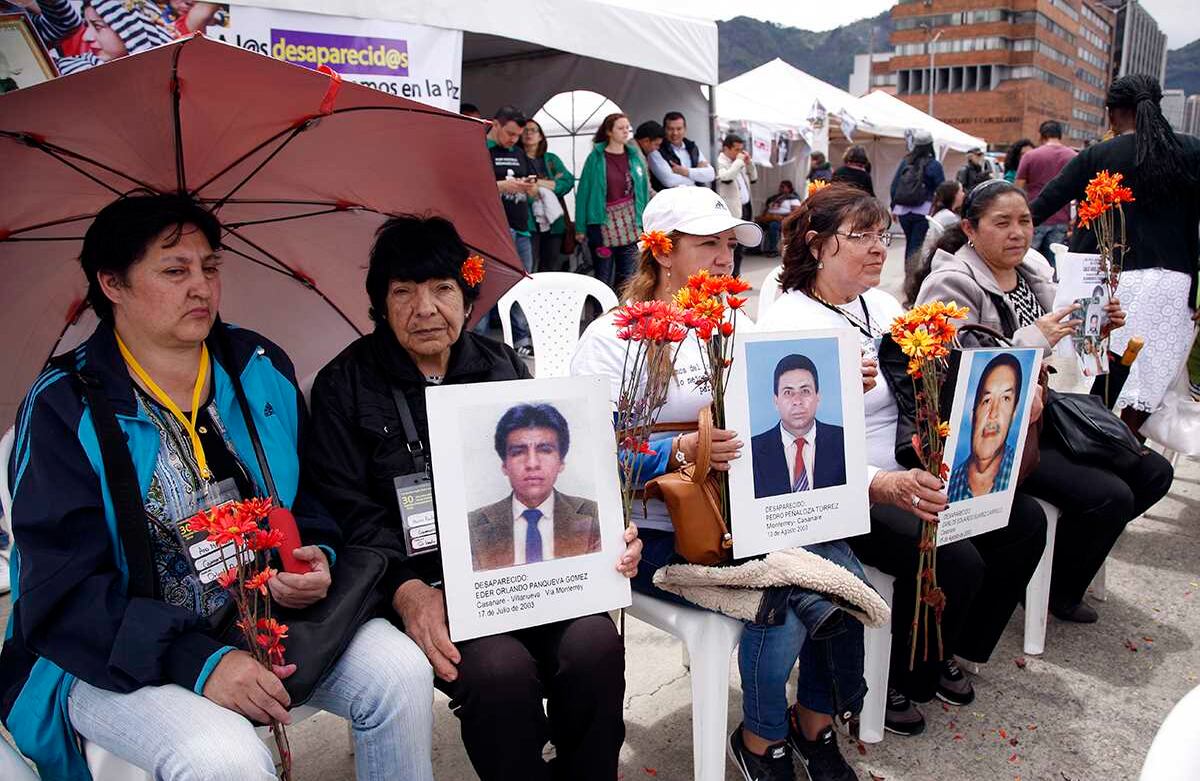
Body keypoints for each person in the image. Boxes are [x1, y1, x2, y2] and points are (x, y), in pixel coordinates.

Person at [1, 193, 435, 781]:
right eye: (174, 270)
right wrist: (201, 661)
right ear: (112, 283)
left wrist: (313, 557)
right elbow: (63, 592)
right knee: (223, 756)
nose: (200, 286)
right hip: (107, 652)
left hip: (260, 618)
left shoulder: (255, 364)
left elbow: (311, 497)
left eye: (210, 266)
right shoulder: (65, 405)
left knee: (400, 672)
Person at [303, 215, 641, 781]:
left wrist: (604, 533)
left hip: (519, 569)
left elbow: (555, 471)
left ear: (466, 295)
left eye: (442, 289)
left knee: (594, 646)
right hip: (414, 580)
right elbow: (346, 510)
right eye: (403, 292)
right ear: (380, 305)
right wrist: (407, 590)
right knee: (498, 673)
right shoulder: (346, 385)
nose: (425, 309)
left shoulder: (500, 365)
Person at [573, 186, 865, 781]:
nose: (724, 257)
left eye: (730, 244)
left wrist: (835, 388)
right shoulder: (611, 337)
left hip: (746, 515)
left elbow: (771, 411)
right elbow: (586, 450)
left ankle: (813, 724)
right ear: (661, 251)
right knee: (785, 607)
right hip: (659, 530)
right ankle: (762, 742)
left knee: (846, 582)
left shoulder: (731, 316)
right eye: (708, 243)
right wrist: (675, 450)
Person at [759, 183, 1048, 737]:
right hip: (836, 489)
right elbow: (789, 440)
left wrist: (1010, 397)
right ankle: (893, 674)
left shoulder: (883, 305)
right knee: (956, 558)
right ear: (818, 245)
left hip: (910, 463)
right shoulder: (788, 325)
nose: (878, 248)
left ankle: (951, 647)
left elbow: (932, 386)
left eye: (882, 235)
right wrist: (882, 484)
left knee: (1023, 521)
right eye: (860, 236)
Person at [914, 179, 1174, 624]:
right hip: (996, 430)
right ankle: (1056, 588)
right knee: (1108, 496)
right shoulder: (951, 283)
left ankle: (1060, 571)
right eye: (1002, 223)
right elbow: (954, 373)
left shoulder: (1034, 277)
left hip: (1046, 411)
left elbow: (1073, 352)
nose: (1017, 232)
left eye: (1025, 221)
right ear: (970, 229)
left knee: (1153, 471)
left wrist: (1096, 328)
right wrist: (1036, 340)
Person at [1030, 74, 1200, 436]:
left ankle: (1098, 448)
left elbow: (1044, 204)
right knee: (1149, 385)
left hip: (1113, 282)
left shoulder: (1099, 156)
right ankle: (1131, 452)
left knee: (1107, 378)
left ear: (1111, 114)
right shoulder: (1192, 151)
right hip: (1176, 283)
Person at [467, 403, 601, 572]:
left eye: (545, 450)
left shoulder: (595, 515)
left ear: (561, 462)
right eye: (518, 452)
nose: (532, 464)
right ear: (504, 465)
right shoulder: (472, 526)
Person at [751, 354, 848, 499]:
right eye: (788, 392)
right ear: (776, 400)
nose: (797, 401)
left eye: (805, 391)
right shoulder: (752, 451)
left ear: (818, 396)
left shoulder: (844, 440)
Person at [574, 112, 650, 293]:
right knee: (603, 276)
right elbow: (584, 192)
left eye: (627, 128)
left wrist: (646, 221)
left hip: (631, 224)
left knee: (628, 276)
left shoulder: (635, 157)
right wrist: (580, 227)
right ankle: (599, 315)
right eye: (621, 128)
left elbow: (644, 190)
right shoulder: (596, 158)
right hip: (602, 225)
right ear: (609, 132)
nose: (625, 132)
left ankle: (623, 316)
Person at [483, 105, 538, 354]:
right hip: (490, 229)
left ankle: (522, 339)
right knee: (484, 286)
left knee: (521, 284)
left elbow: (536, 189)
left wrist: (528, 186)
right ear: (495, 125)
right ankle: (478, 340)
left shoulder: (518, 153)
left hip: (520, 228)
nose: (514, 139)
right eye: (510, 133)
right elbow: (470, 187)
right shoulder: (480, 149)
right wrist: (501, 186)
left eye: (518, 135)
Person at [946, 353, 1024, 502]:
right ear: (973, 414)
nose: (993, 413)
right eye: (987, 400)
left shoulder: (1019, 471)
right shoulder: (948, 487)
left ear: (1014, 413)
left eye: (1005, 399)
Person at [890, 129, 946, 282]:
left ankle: (909, 276)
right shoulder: (934, 164)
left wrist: (894, 208)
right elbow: (942, 188)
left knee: (910, 243)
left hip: (902, 211)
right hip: (923, 211)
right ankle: (911, 280)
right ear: (930, 145)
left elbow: (894, 186)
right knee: (916, 245)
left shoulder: (905, 162)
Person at [521, 118, 575, 273]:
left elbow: (567, 181)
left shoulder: (551, 159)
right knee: (528, 268)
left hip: (554, 224)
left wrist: (538, 183)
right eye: (525, 130)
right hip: (528, 222)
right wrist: (549, 184)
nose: (529, 133)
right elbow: (524, 187)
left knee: (551, 267)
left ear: (541, 136)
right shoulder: (518, 158)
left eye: (533, 130)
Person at [1017, 121, 1076, 261]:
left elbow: (1018, 188)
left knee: (1028, 261)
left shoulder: (1030, 156)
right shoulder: (1073, 156)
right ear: (1060, 136)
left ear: (1041, 136)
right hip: (1061, 217)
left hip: (1034, 216)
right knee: (1054, 262)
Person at [716, 133, 759, 276]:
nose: (739, 153)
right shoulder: (720, 162)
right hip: (732, 211)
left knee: (741, 247)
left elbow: (754, 178)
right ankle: (729, 277)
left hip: (745, 208)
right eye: (736, 149)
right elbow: (726, 177)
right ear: (726, 148)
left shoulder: (739, 162)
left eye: (741, 150)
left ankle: (736, 277)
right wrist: (739, 162)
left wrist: (749, 163)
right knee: (732, 246)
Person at [647, 111, 715, 191]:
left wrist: (685, 171)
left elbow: (711, 174)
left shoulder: (692, 148)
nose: (675, 133)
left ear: (685, 129)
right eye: (670, 129)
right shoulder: (656, 150)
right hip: (670, 201)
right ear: (664, 130)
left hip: (695, 198)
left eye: (679, 129)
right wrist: (697, 174)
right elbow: (669, 181)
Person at [759, 180, 803, 256]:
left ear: (789, 188)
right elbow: (768, 208)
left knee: (773, 225)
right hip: (770, 218)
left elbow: (796, 213)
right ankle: (755, 249)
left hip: (783, 220)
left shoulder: (793, 199)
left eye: (783, 187)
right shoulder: (777, 198)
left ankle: (773, 249)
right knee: (758, 225)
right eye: (780, 186)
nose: (780, 188)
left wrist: (781, 216)